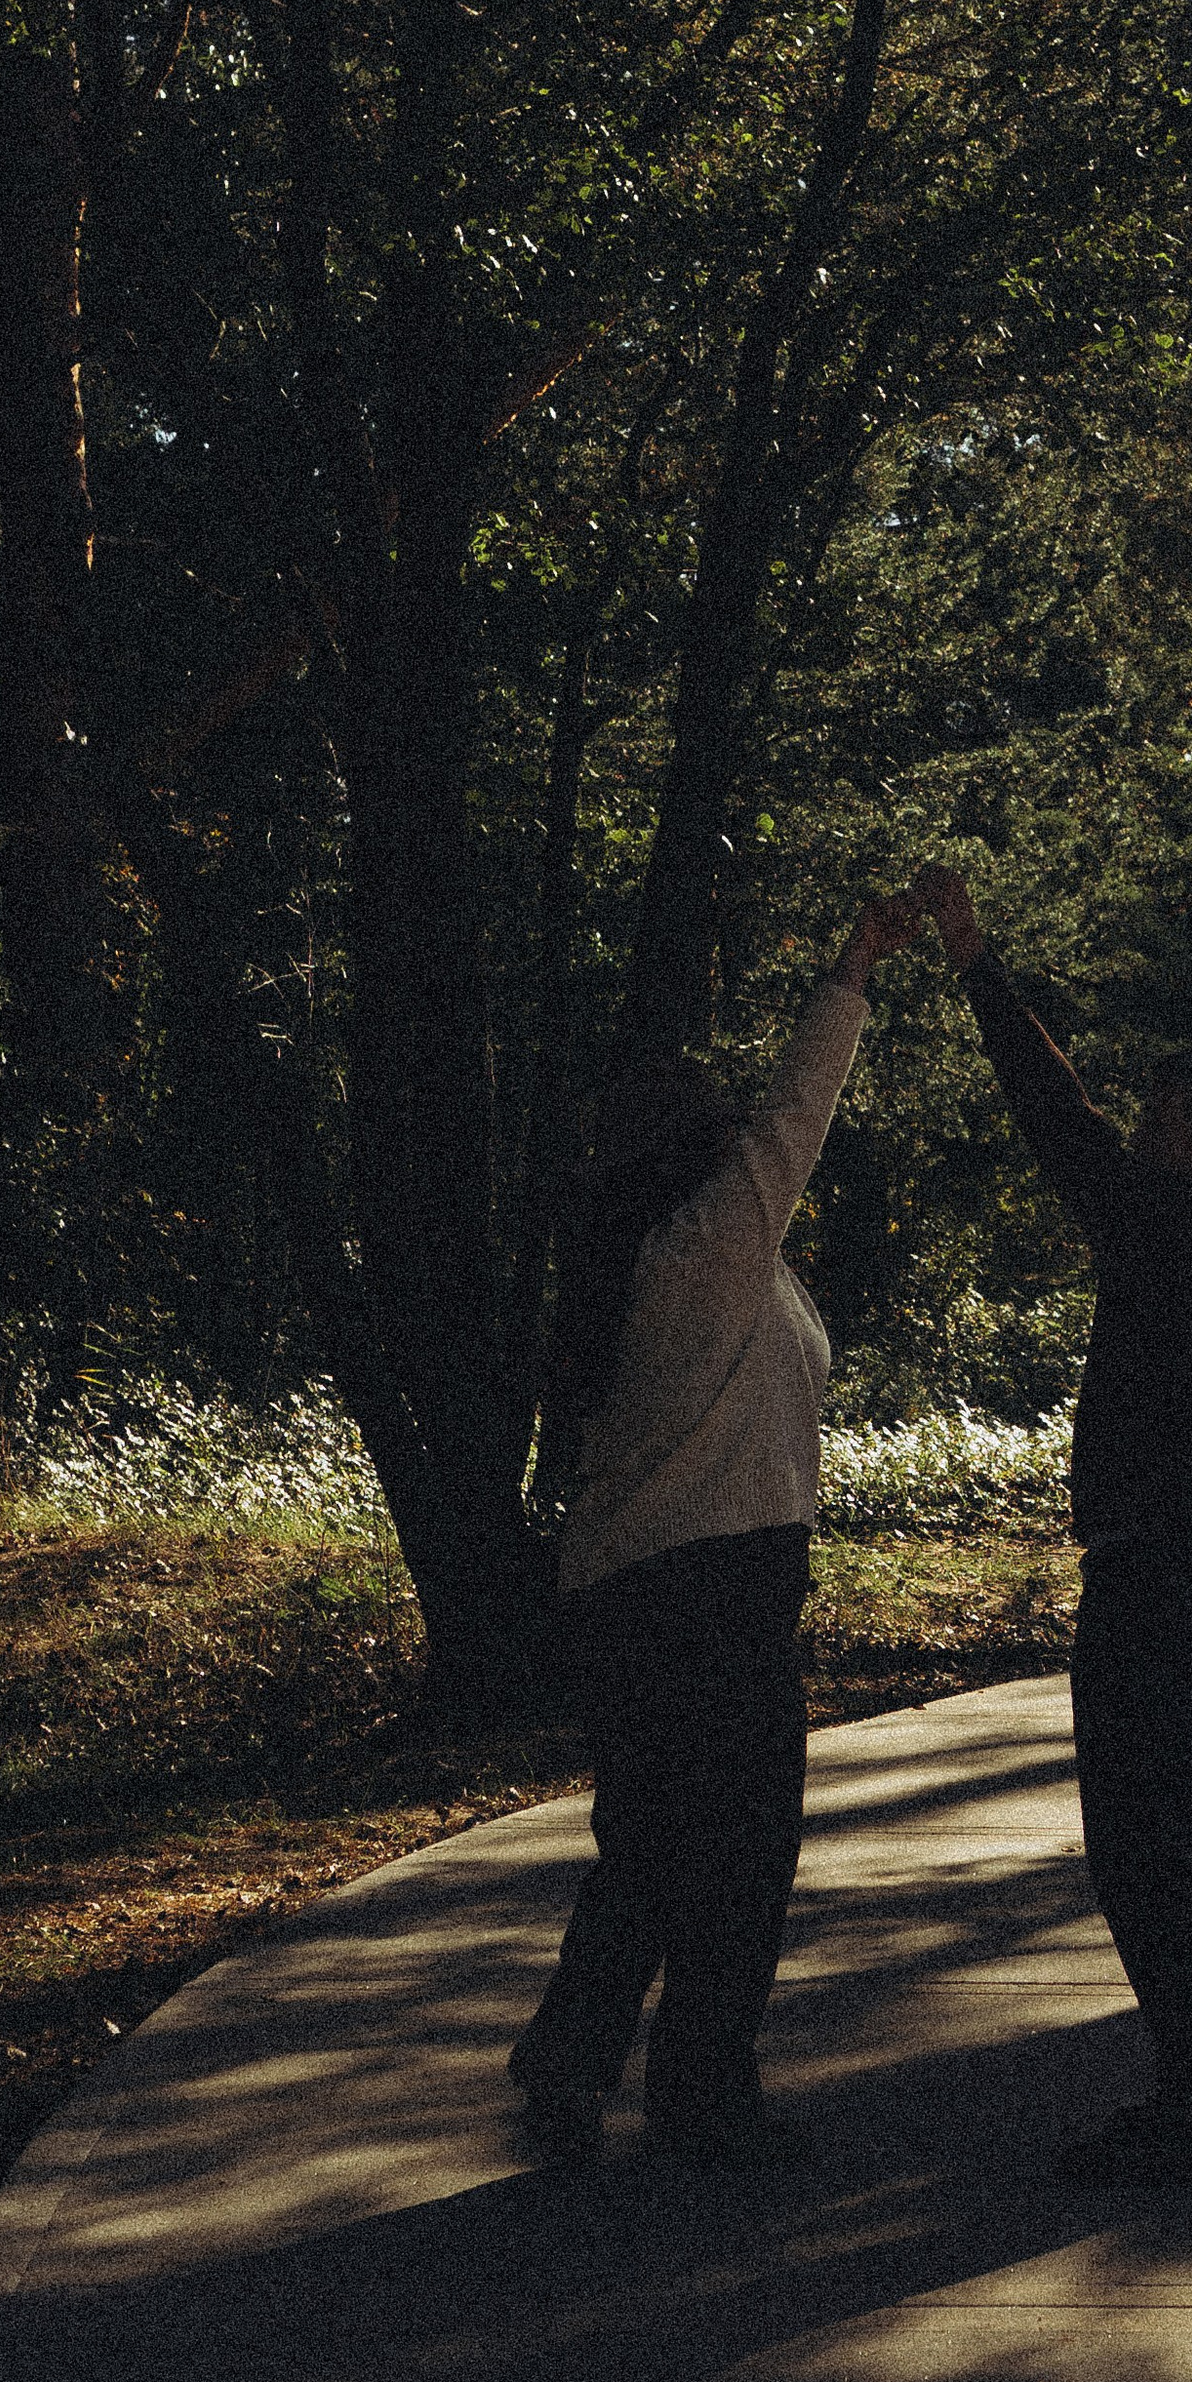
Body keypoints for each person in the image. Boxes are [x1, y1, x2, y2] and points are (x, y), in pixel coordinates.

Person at [509, 891, 919, 2169]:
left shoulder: (698, 1259)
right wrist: (850, 969)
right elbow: (796, 1118)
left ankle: (572, 2060)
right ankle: (701, 2100)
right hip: (696, 1597)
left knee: (651, 1849)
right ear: (689, 1158)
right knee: (735, 1858)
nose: (743, 1143)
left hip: (668, 1589)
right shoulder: (695, 1251)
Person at [914, 864, 1192, 2188]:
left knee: (1143, 1852)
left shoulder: (1176, 1225)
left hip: (1156, 1582)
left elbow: (1051, 1114)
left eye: (1161, 1116)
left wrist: (976, 965)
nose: (1135, 1130)